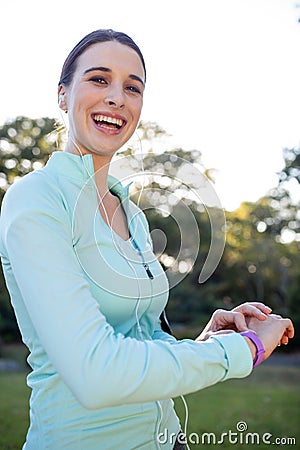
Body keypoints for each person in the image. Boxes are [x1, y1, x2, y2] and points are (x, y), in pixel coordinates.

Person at [0, 29, 294, 450]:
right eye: (99, 79)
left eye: (132, 87)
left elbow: (137, 340)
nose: (117, 97)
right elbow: (95, 372)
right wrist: (244, 350)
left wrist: (206, 342)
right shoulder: (36, 198)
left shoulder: (132, 213)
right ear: (63, 96)